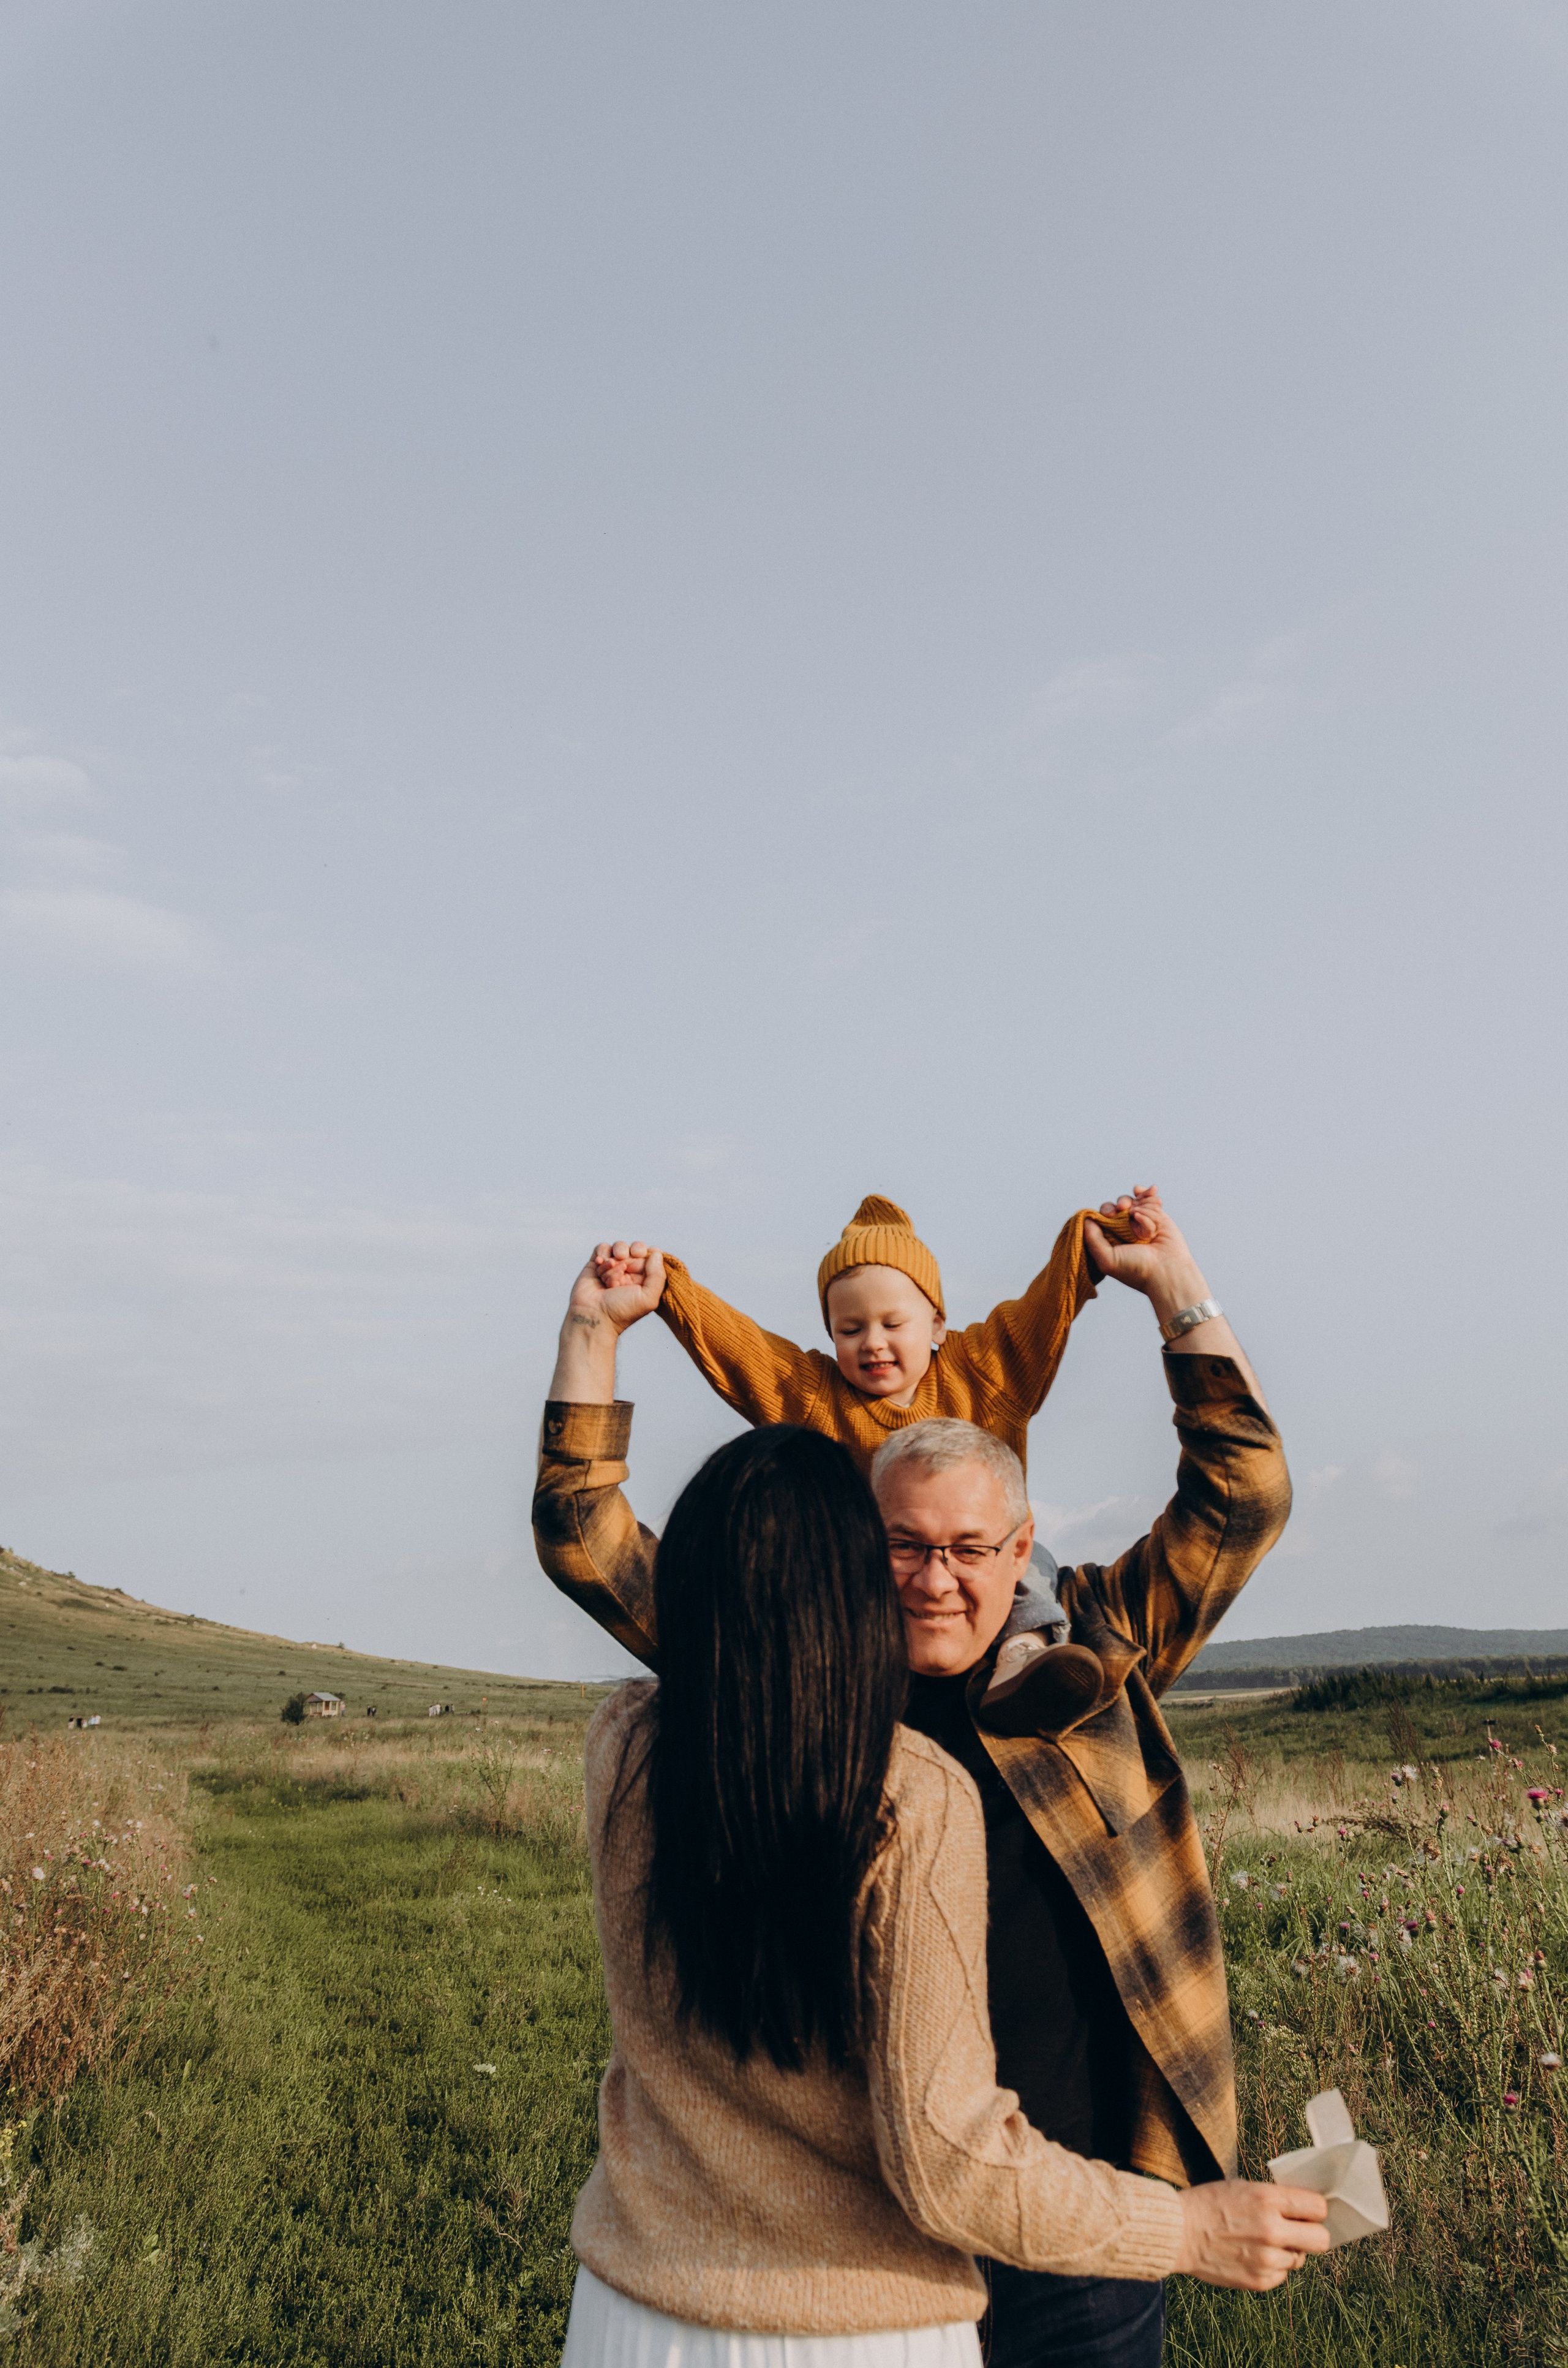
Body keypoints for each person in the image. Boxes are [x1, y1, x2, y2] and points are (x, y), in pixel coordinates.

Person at [539, 1186, 1292, 2368]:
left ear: (1021, 1543)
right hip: (882, 2235)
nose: (937, 1579)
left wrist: (1176, 1293)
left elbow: (1243, 1494)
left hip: (1089, 2211)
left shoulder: (1097, 1649)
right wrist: (595, 1329)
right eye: (901, 1546)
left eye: (970, 1548)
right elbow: (588, 1540)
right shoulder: (796, 1673)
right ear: (855, 1543)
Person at [582, 1193, 1141, 1731]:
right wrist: (669, 1287)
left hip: (981, 1575)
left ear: (938, 1324)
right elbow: (741, 1348)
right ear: (831, 1332)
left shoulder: (985, 1372)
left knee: (1032, 1561)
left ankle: (1023, 1658)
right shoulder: (815, 1397)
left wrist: (1090, 1243)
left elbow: (1043, 1309)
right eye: (850, 1329)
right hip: (870, 1585)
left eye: (892, 1324)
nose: (872, 1342)